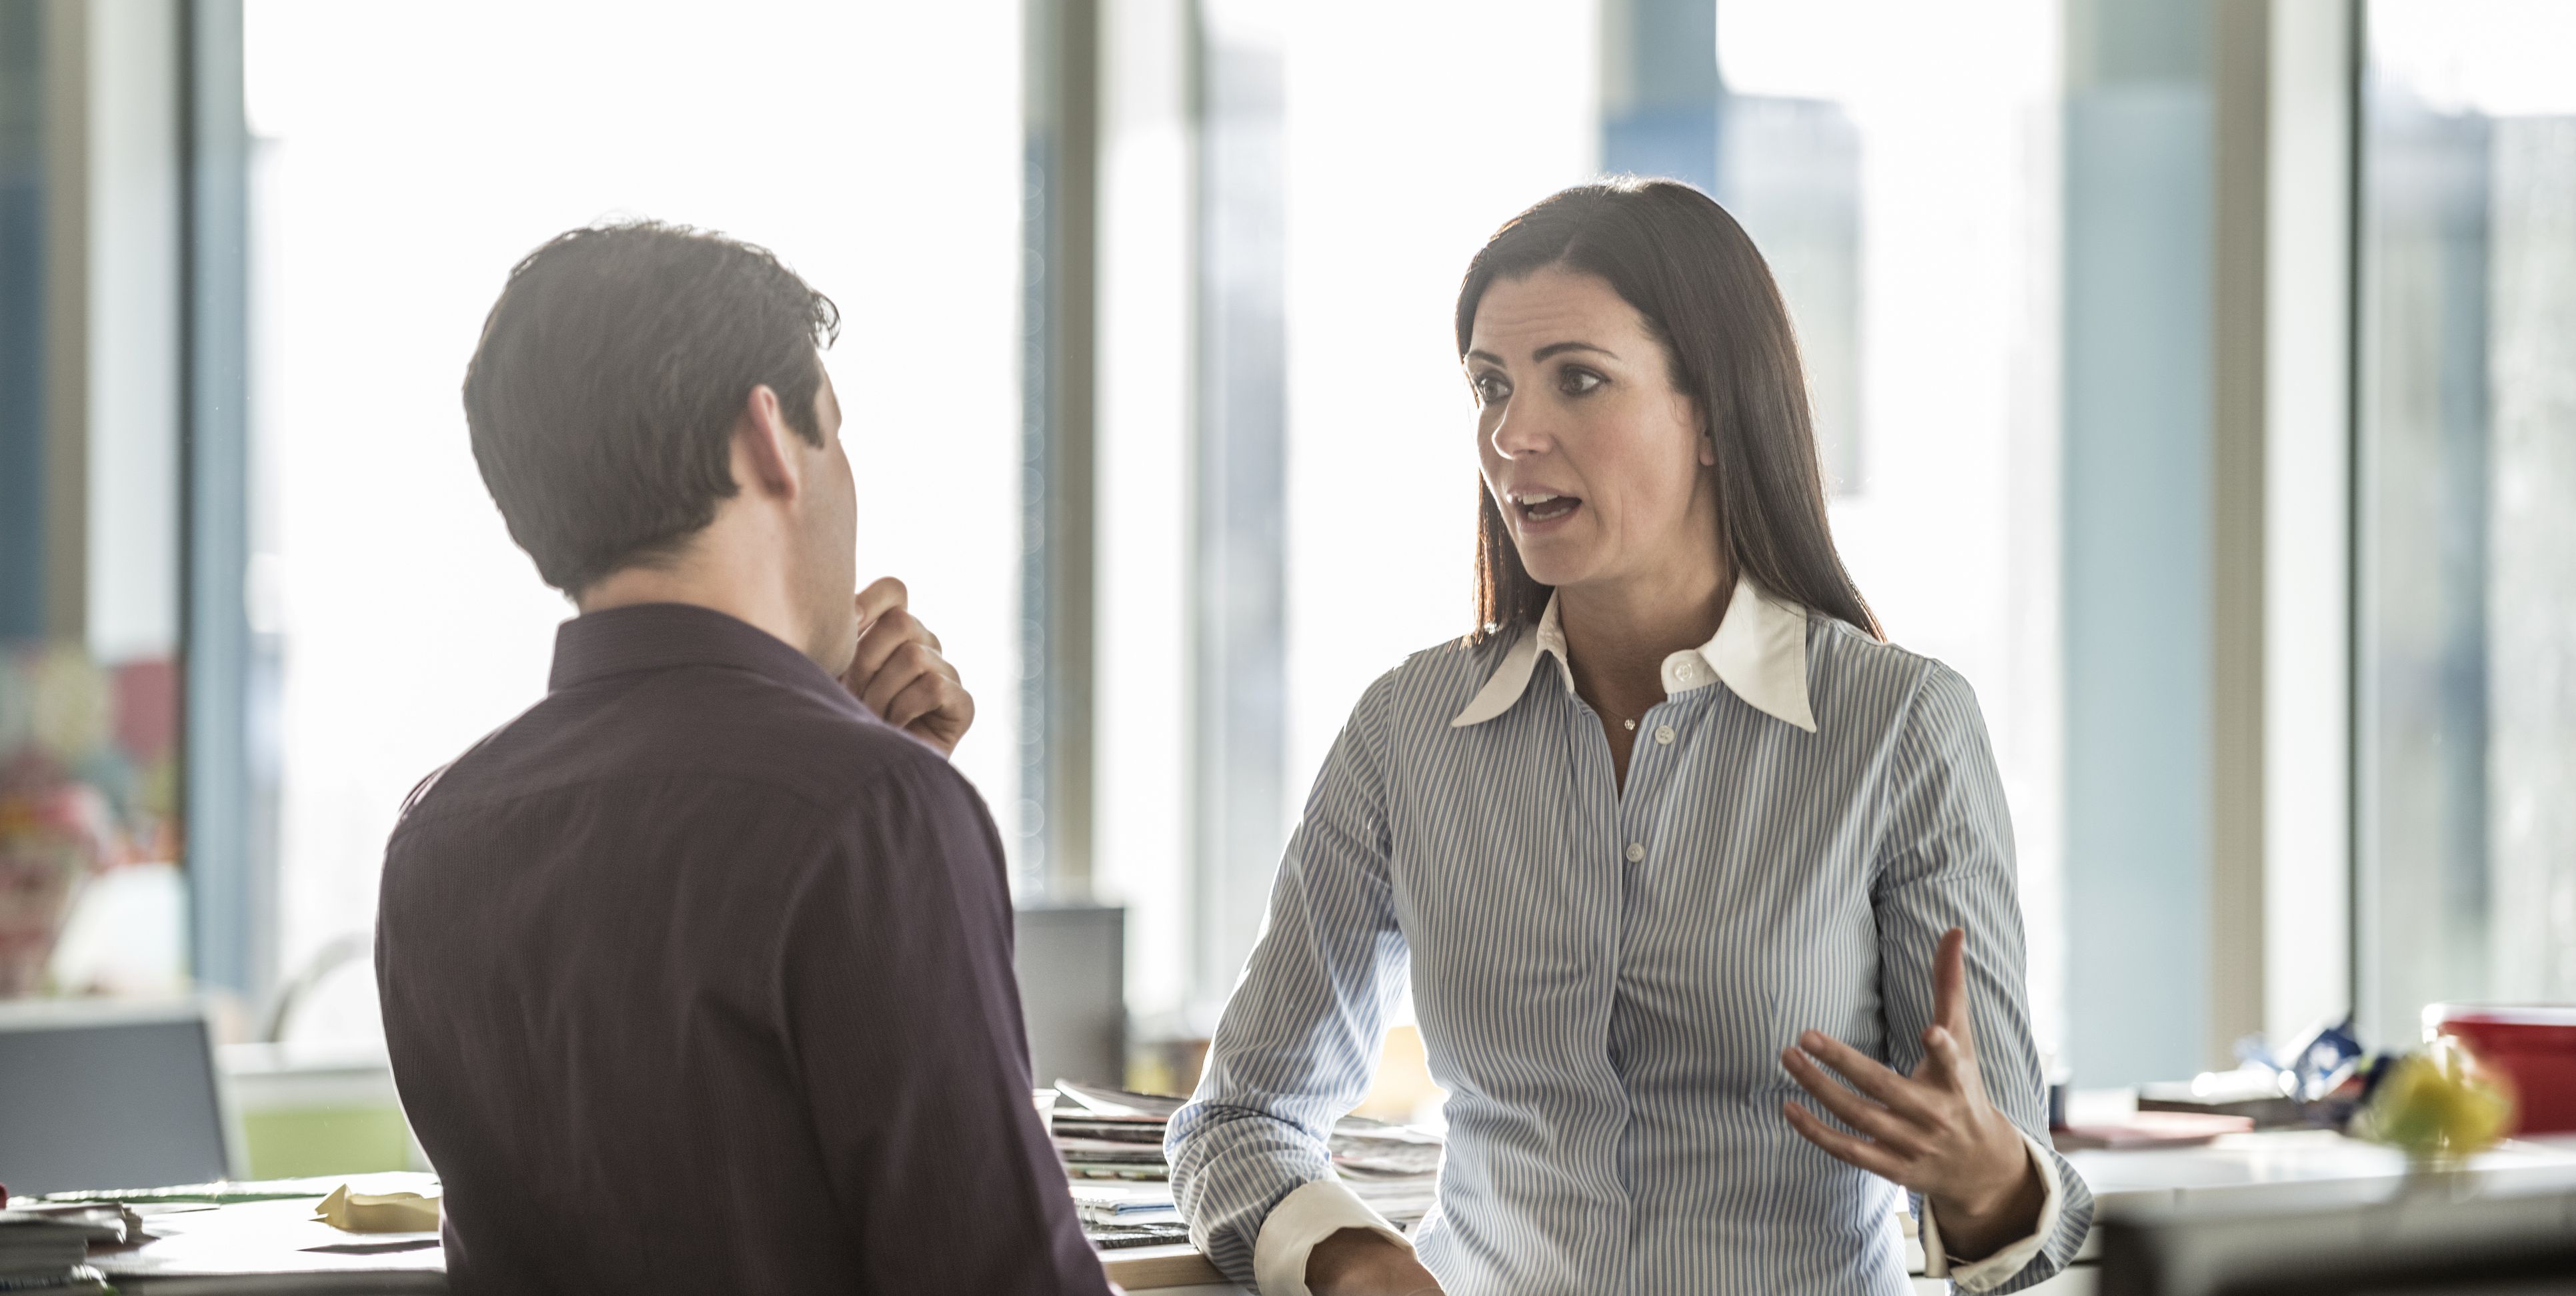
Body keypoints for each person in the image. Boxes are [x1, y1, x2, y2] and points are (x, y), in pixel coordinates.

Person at [1166, 179, 2094, 1295]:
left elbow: (2029, 1224)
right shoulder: (1406, 735)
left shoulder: (1899, 728)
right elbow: (1237, 1119)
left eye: (1579, 380)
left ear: (1712, 412)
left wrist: (1986, 1178)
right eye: (1490, 386)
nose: (1513, 434)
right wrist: (1355, 1259)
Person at [376, 222, 1112, 1296]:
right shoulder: (872, 815)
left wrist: (866, 766)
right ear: (769, 435)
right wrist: (897, 804)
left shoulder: (436, 834)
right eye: (836, 434)